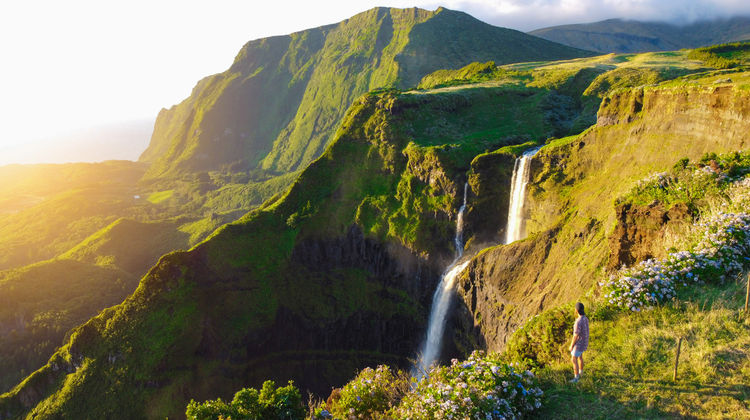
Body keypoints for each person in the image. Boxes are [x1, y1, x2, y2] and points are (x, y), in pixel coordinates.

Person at [568, 302, 589, 383]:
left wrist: (571, 345)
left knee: (573, 359)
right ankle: (581, 372)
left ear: (576, 310)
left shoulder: (578, 321)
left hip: (579, 343)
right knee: (580, 357)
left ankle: (576, 378)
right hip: (584, 342)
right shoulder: (585, 318)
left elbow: (575, 335)